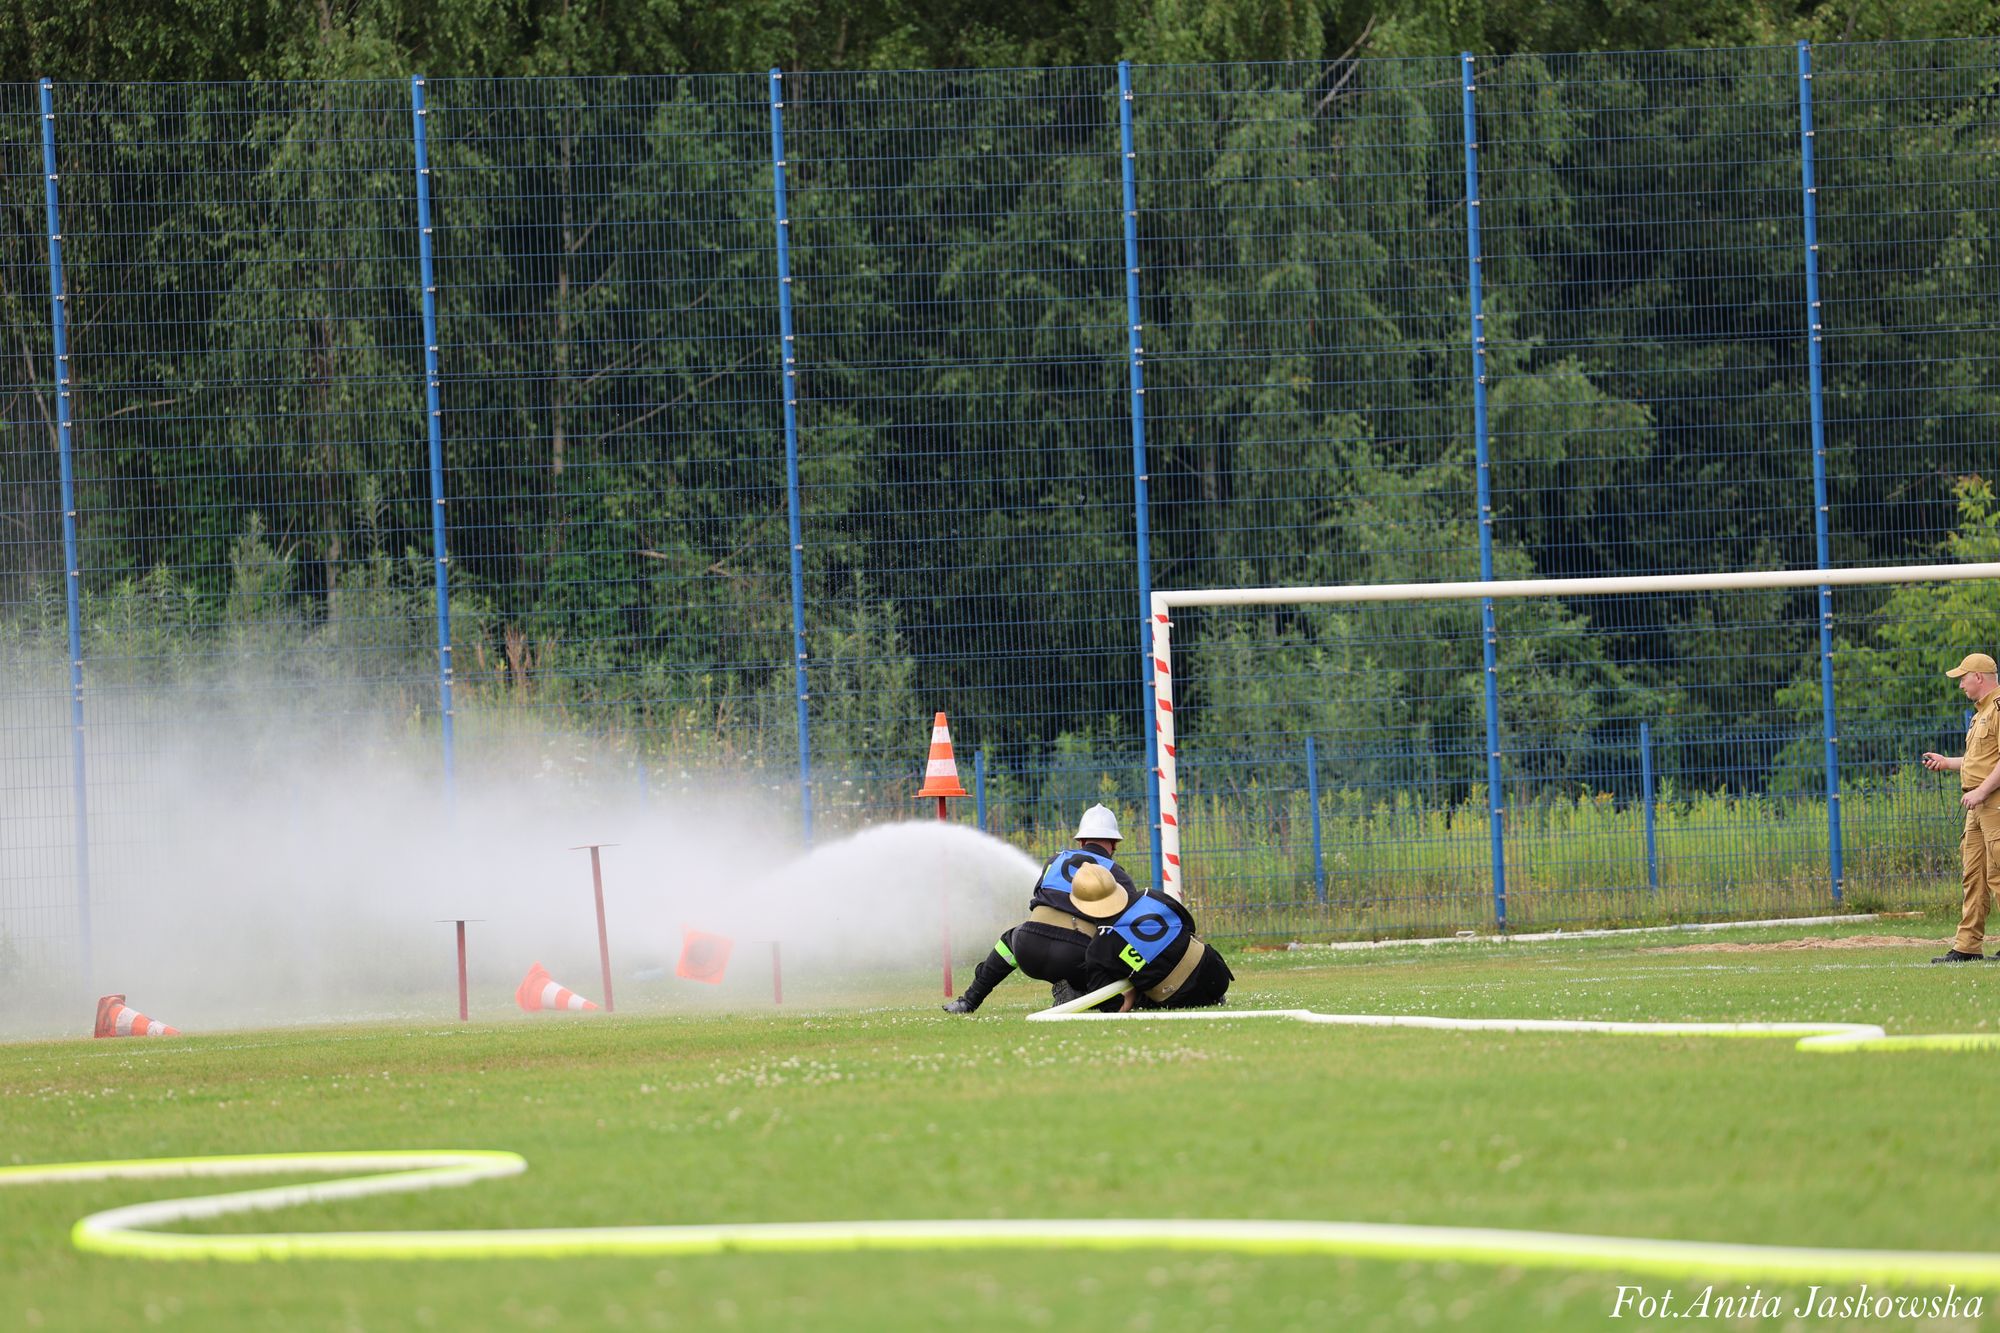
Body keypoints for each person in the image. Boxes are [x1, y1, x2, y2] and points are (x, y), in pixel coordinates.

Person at [943, 804, 1138, 1014]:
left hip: (1028, 949)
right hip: (1075, 959)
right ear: (1114, 844)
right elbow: (1126, 927)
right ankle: (1081, 994)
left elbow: (1038, 900)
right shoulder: (1116, 875)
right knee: (1112, 966)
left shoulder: (1054, 861)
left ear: (1081, 841)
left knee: (1008, 940)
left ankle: (968, 1002)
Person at [1071, 859, 1233, 1009]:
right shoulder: (1152, 896)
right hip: (1217, 972)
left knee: (1139, 991)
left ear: (1082, 905)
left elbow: (1111, 1005)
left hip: (1180, 997)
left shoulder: (1098, 948)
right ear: (1115, 885)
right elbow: (1190, 926)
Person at [1922, 652, 2000, 963]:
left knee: (1998, 873)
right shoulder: (1980, 714)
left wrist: (1981, 791)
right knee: (1974, 876)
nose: (1960, 685)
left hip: (1993, 803)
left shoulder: (1997, 709)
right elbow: (1979, 762)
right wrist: (1947, 763)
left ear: (1978, 677)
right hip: (1977, 806)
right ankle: (1967, 946)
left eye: (1963, 678)